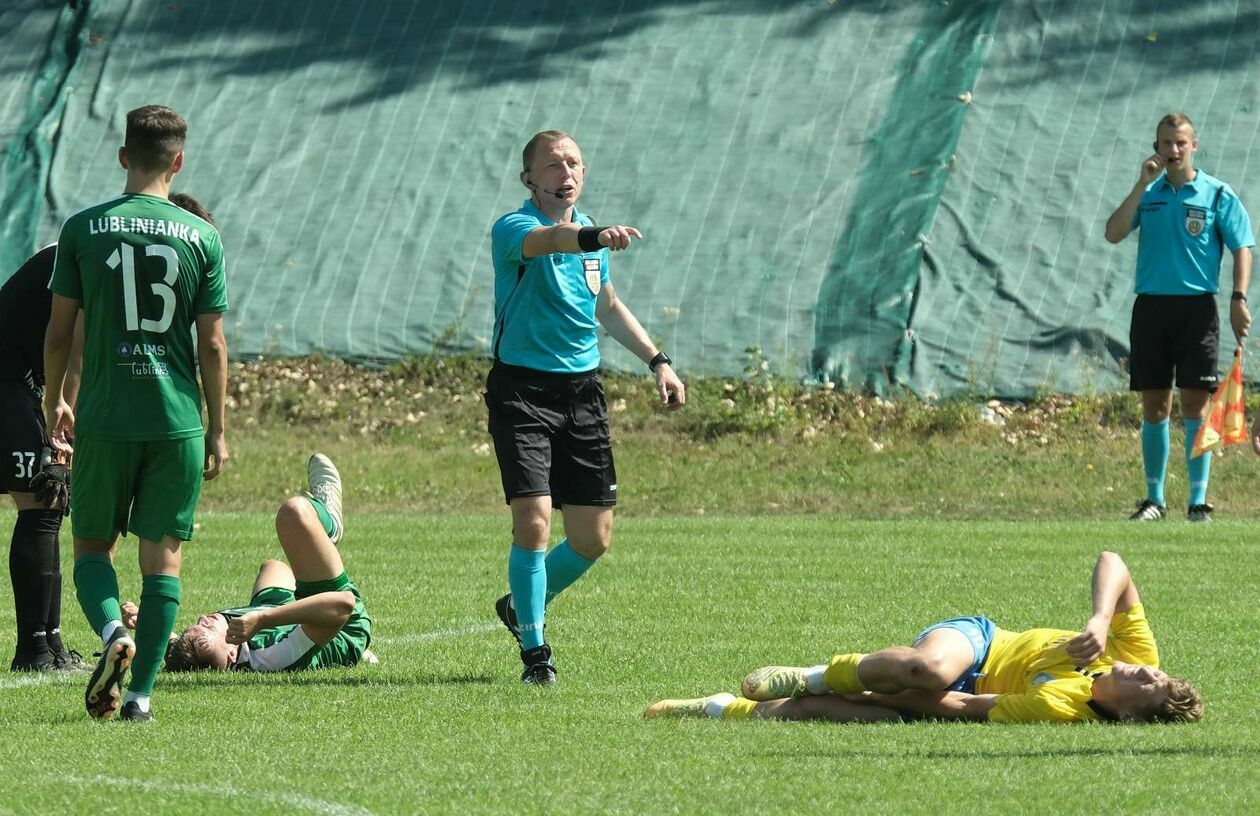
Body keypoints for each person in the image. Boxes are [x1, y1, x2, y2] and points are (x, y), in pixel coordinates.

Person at [43, 105, 229, 722]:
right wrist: (218, 431)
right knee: (162, 564)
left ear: (123, 157)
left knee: (93, 551)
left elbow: (59, 334)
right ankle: (142, 696)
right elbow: (213, 345)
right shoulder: (202, 237)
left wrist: (55, 403)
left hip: (104, 416)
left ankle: (109, 635)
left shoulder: (82, 229)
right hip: (176, 420)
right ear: (179, 162)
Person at [487, 129, 686, 685]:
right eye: (551, 165)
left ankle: (518, 606)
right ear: (529, 179)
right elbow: (555, 241)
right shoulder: (516, 228)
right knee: (533, 521)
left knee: (592, 539)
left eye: (572, 163)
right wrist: (595, 235)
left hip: (582, 395)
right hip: (521, 391)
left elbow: (609, 307)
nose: (564, 173)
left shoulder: (592, 242)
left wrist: (659, 361)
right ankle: (535, 653)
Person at [646, 551, 1202, 725]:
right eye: (1157, 671)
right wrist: (1101, 620)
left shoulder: (1063, 709)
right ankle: (812, 673)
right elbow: (1113, 560)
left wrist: (873, 700)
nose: (1146, 670)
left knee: (867, 715)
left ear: (1128, 717)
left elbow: (964, 703)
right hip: (978, 641)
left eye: (1148, 684)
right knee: (928, 669)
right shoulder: (1130, 651)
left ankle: (719, 710)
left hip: (961, 686)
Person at [1104, 113, 1254, 523]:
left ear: (1194, 146)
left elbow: (1243, 245)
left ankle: (1198, 501)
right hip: (1151, 308)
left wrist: (1238, 297)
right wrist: (1140, 184)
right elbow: (1113, 232)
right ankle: (1154, 500)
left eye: (1180, 143)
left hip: (1197, 309)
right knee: (1155, 404)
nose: (1172, 150)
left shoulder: (1217, 194)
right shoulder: (1148, 194)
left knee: (1196, 404)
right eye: (1165, 143)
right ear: (1157, 146)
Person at [151, 453, 372, 678]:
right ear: (230, 653)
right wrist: (263, 620)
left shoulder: (208, 653)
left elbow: (180, 651)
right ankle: (330, 525)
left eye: (196, 624)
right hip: (343, 627)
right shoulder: (271, 656)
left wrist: (149, 624)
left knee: (273, 567)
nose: (202, 618)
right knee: (294, 514)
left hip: (285, 619)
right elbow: (344, 604)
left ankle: (311, 556)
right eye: (207, 627)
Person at [0, 244, 88, 672]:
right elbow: (74, 352)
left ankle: (48, 645)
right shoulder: (98, 255)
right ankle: (34, 650)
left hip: (22, 381)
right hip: (7, 380)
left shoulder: (96, 242)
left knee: (47, 506)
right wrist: (60, 442)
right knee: (40, 501)